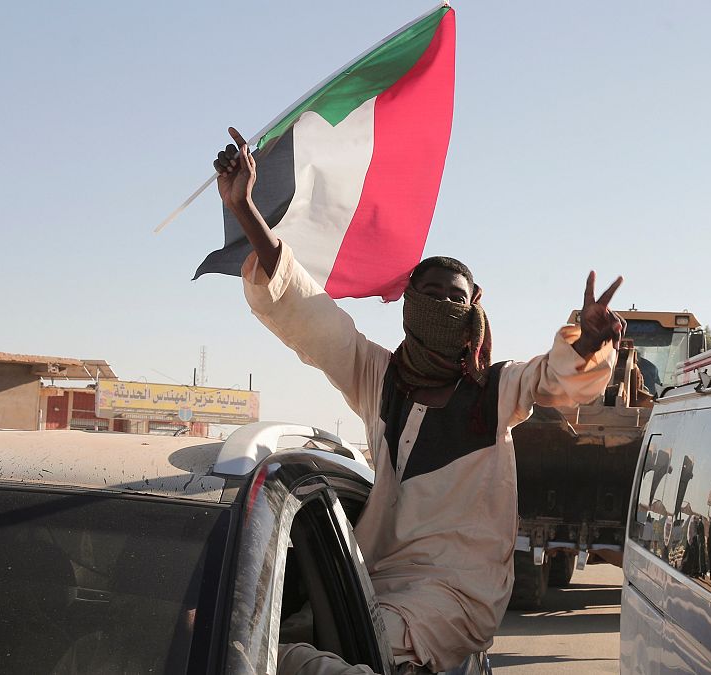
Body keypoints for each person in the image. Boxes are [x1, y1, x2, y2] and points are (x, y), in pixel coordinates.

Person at [214, 128, 623, 673]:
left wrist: (590, 342)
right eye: (431, 296)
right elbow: (311, 317)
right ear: (409, 302)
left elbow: (555, 379)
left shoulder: (494, 391)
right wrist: (244, 210)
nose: (443, 307)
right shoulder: (380, 377)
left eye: (456, 298)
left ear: (474, 306)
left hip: (456, 595)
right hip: (376, 577)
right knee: (259, 639)